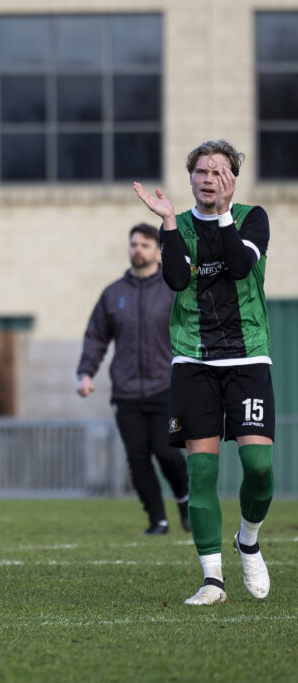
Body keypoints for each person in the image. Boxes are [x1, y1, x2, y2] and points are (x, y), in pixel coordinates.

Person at [134, 139, 274, 606]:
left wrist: (226, 213)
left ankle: (248, 539)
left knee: (258, 468)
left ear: (231, 178)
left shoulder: (253, 218)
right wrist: (170, 223)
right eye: (201, 171)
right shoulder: (179, 226)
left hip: (247, 357)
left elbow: (238, 265)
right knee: (202, 472)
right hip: (193, 360)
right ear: (190, 177)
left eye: (218, 171)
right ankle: (212, 579)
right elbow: (175, 279)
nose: (208, 178)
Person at [76, 223, 190, 535]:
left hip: (165, 387)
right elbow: (96, 337)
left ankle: (184, 499)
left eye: (144, 245)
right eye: (133, 244)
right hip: (126, 392)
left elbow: (193, 330)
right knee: (138, 459)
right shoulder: (114, 294)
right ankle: (158, 520)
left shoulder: (172, 289)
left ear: (158, 251)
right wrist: (86, 373)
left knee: (166, 452)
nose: (137, 250)